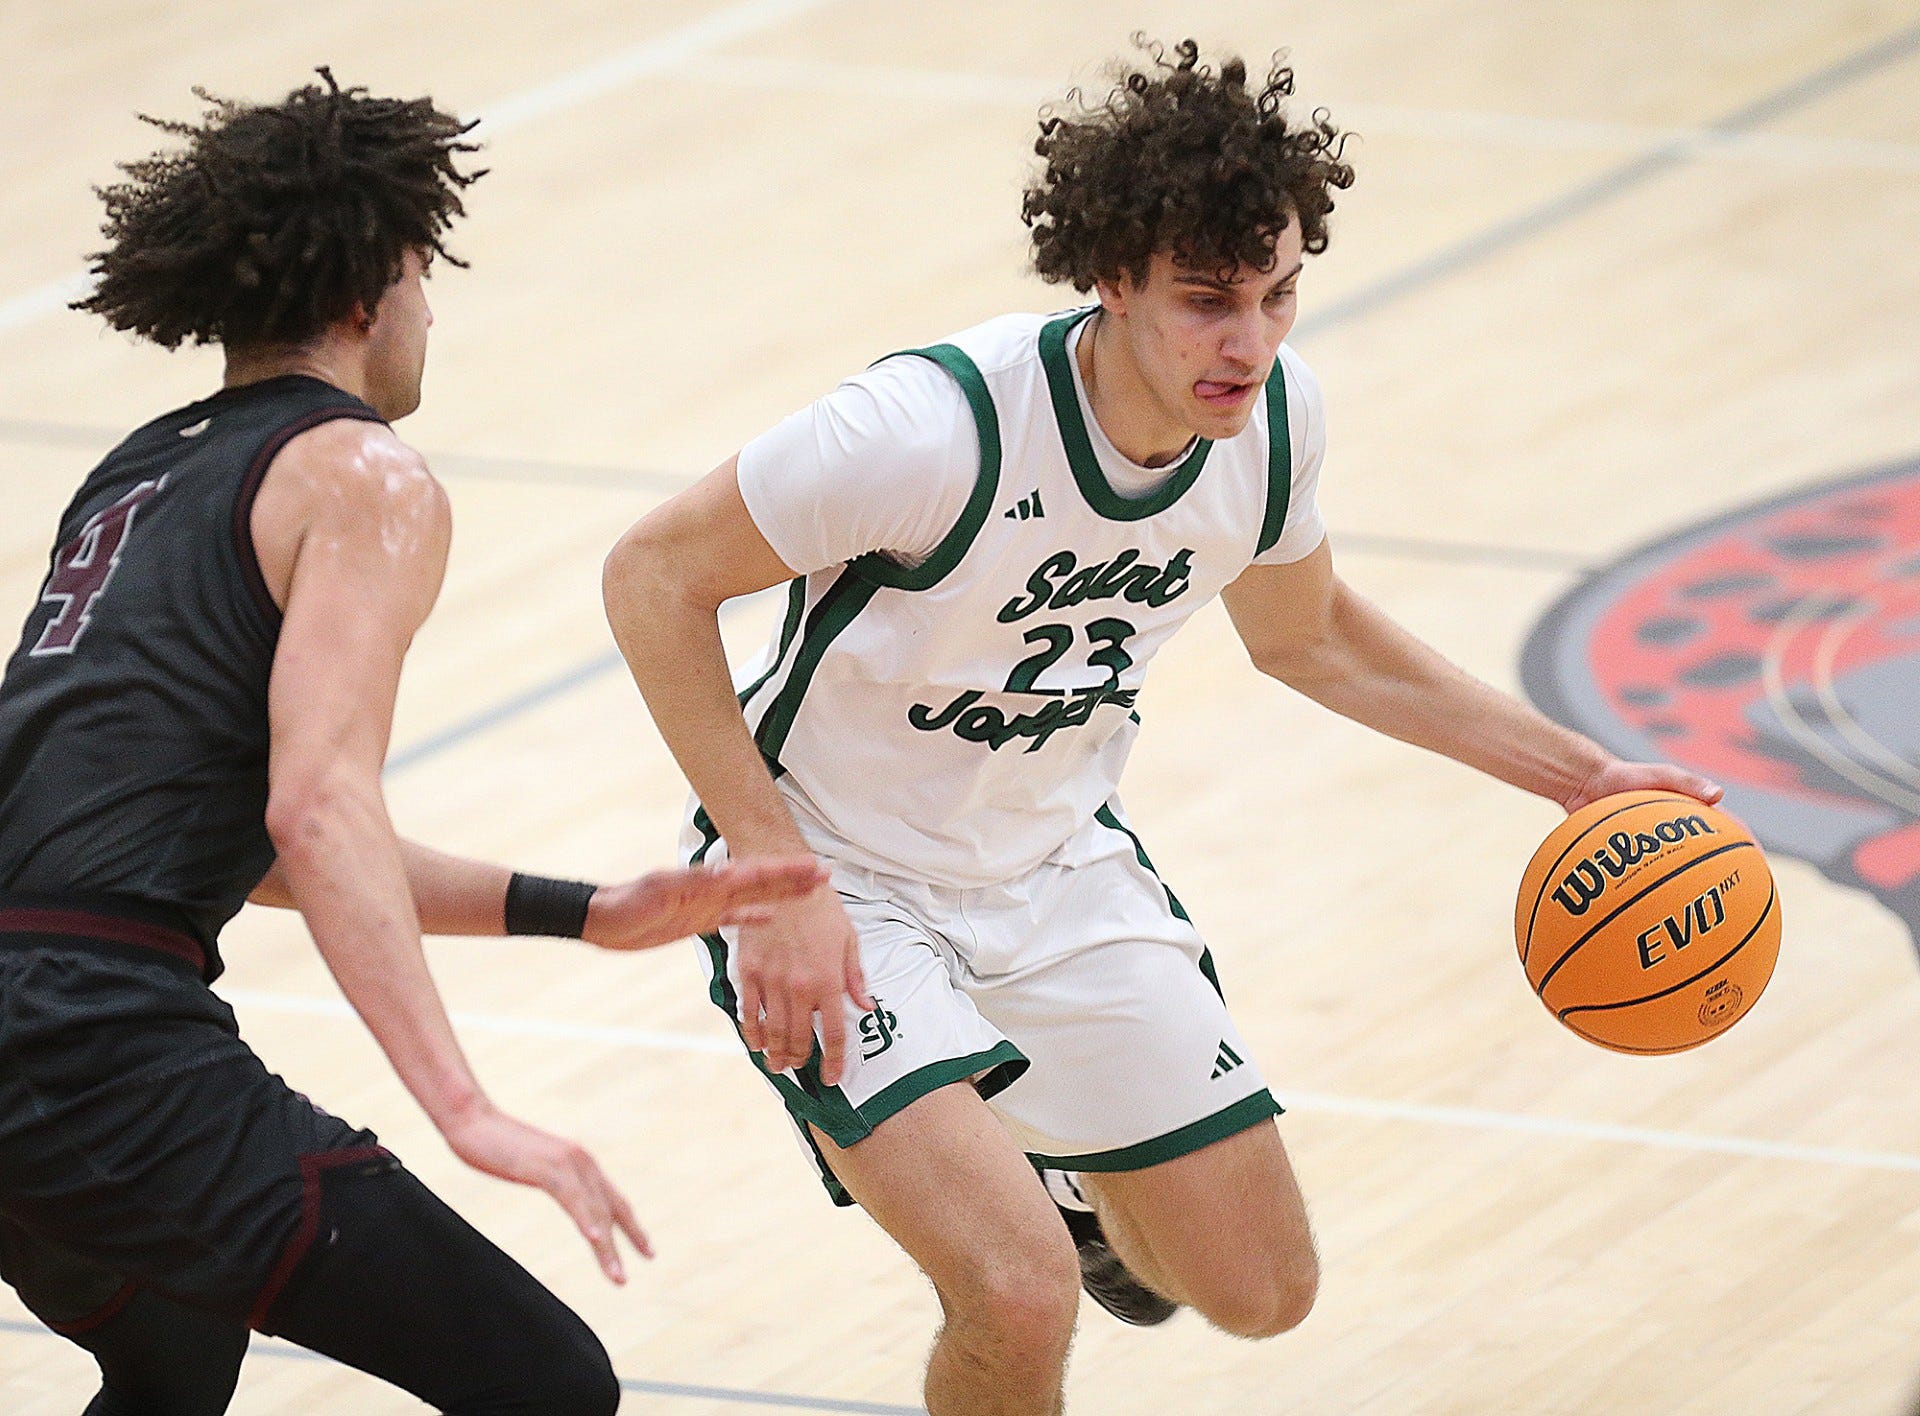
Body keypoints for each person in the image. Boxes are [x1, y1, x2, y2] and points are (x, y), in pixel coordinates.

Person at [601, 39, 1721, 1416]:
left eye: (1279, 295)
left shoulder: (1271, 424)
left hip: (1056, 863)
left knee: (1260, 1293)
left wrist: (1583, 777)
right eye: (1207, 301)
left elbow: (1309, 637)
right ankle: (1024, 1192)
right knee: (1016, 1292)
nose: (1248, 340)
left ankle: (1067, 1173)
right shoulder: (928, 430)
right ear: (1112, 276)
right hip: (843, 874)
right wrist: (771, 887)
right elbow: (652, 577)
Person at [0, 72, 821, 1416]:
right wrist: (466, 1110)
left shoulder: (136, 474)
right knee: (545, 1385)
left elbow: (220, 840)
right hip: (93, 1039)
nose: (430, 304)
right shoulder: (360, 472)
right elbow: (315, 811)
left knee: (171, 1349)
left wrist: (587, 911)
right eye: (423, 268)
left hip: (36, 1002)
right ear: (363, 292)